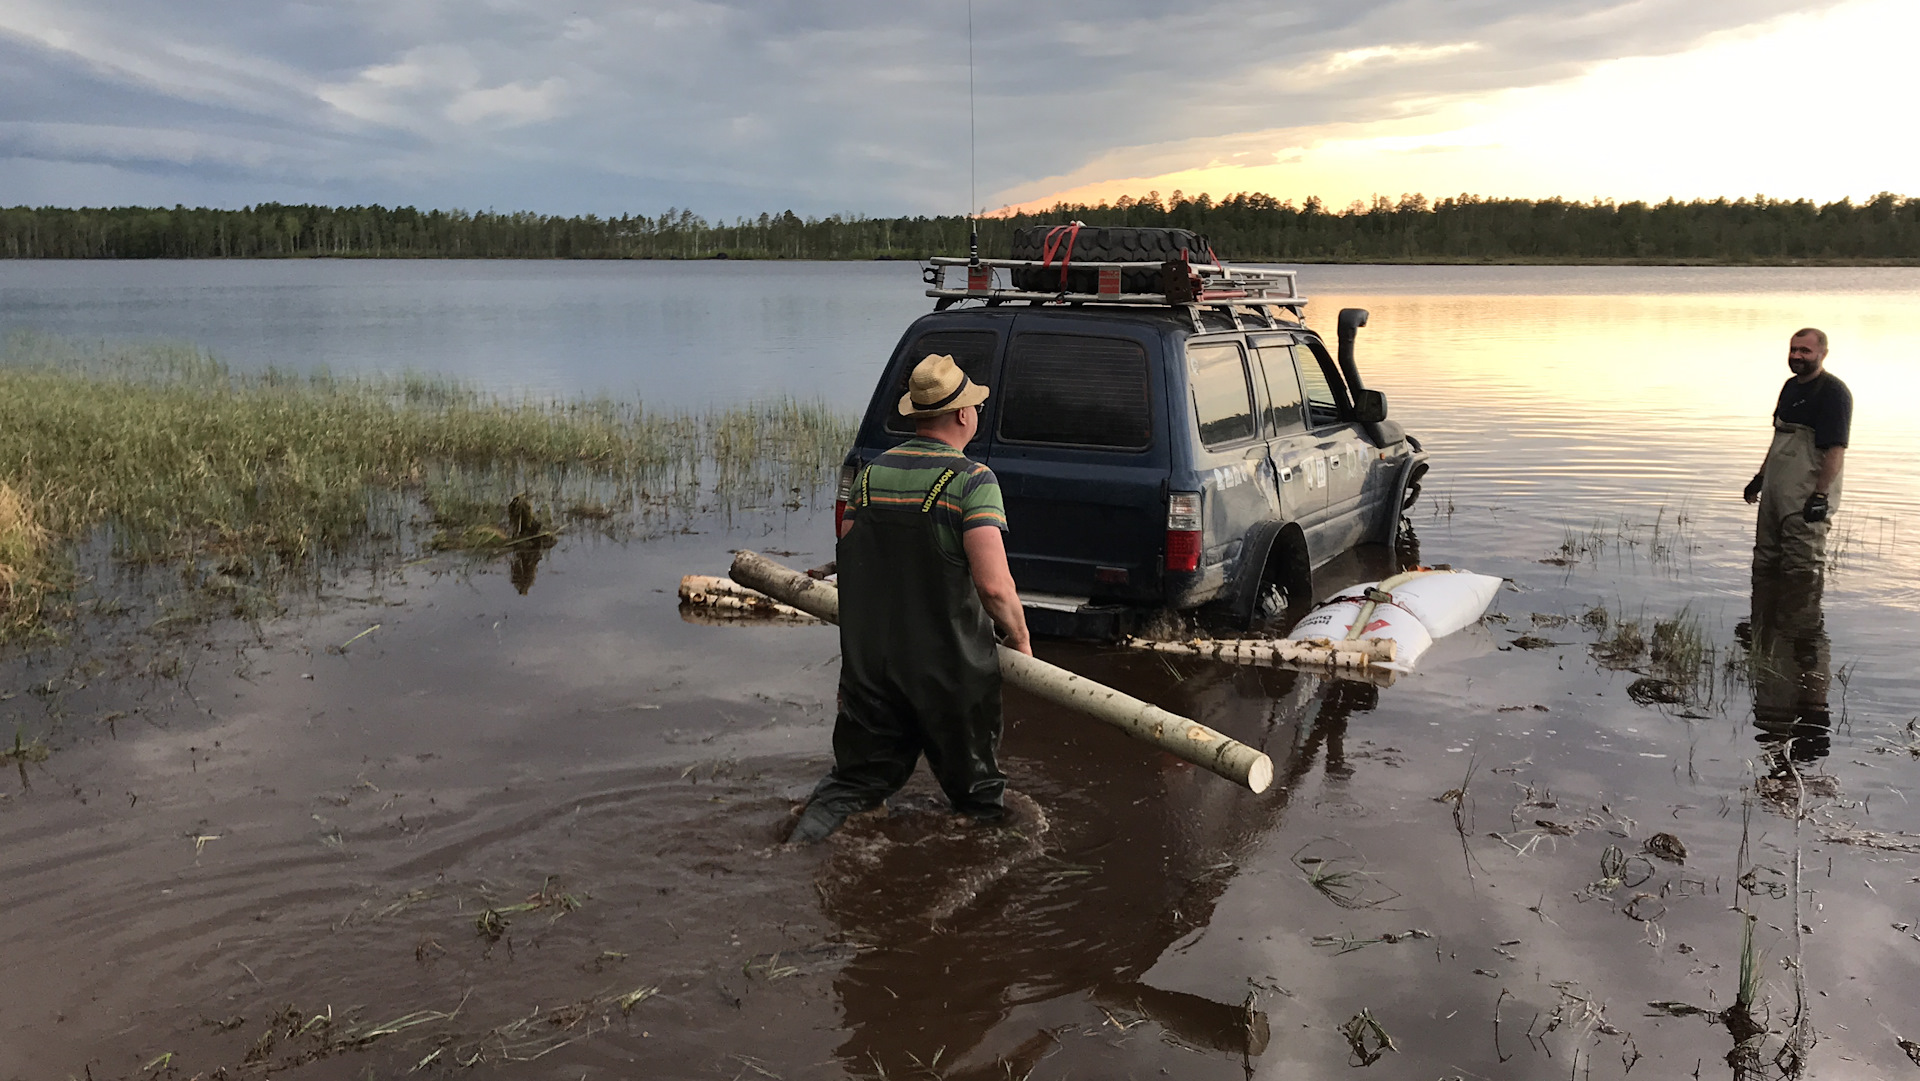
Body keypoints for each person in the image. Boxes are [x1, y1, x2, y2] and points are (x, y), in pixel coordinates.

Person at [788, 354, 1032, 843]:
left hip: (870, 672)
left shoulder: (871, 476)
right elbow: (993, 587)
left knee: (853, 786)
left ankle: (795, 847)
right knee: (980, 805)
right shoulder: (972, 481)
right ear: (963, 415)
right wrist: (1020, 640)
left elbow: (858, 556)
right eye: (975, 406)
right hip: (950, 676)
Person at [1744, 328, 1851, 576]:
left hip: (1804, 499)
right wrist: (1759, 479)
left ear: (1822, 354)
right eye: (1793, 349)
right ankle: (1762, 615)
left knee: (1802, 568)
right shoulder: (1790, 387)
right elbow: (1779, 439)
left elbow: (1836, 450)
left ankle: (1802, 615)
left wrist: (1820, 496)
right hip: (1774, 494)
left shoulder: (1833, 392)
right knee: (1764, 562)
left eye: (1805, 350)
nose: (1797, 356)